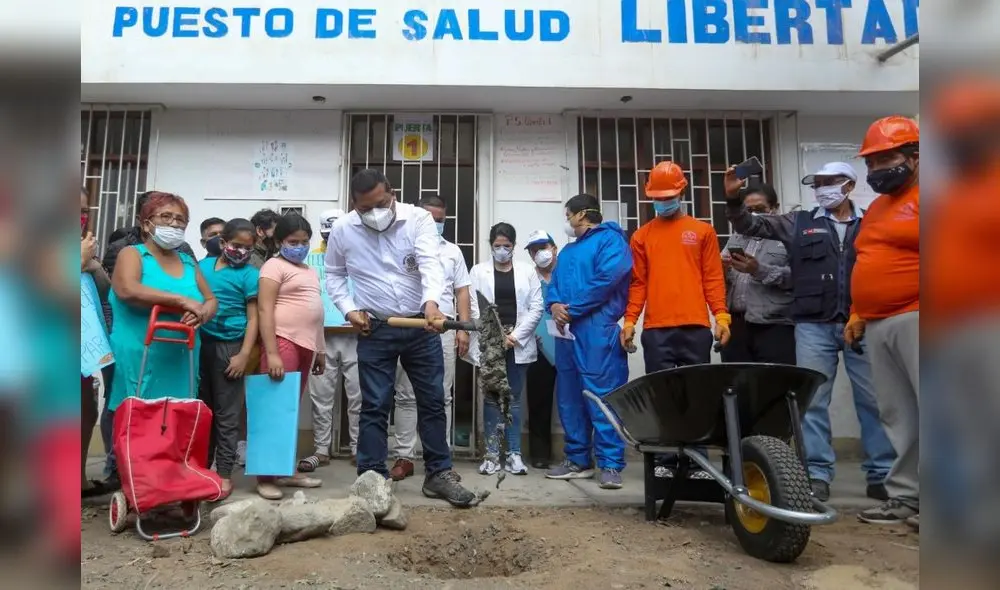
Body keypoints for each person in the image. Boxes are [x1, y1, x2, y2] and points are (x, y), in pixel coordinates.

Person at [724, 161, 895, 503]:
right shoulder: (798, 222)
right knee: (813, 402)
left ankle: (881, 474)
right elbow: (751, 224)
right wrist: (732, 199)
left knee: (873, 400)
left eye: (829, 182)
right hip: (812, 324)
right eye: (817, 183)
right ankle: (817, 473)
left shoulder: (872, 222)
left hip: (861, 321)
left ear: (849, 185)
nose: (821, 189)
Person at [325, 168, 476, 507]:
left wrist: (432, 303)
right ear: (354, 204)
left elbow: (430, 263)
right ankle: (372, 478)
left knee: (433, 402)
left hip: (421, 326)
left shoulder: (418, 219)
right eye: (365, 208)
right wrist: (349, 310)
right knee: (375, 404)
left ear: (392, 194)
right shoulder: (343, 229)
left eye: (380, 204)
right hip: (375, 327)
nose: (374, 213)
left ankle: (439, 474)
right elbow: (334, 275)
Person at [622, 162, 730, 478]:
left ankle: (697, 462)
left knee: (696, 397)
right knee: (663, 397)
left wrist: (721, 316)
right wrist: (630, 321)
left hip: (696, 328)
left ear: (681, 192)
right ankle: (666, 461)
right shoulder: (642, 236)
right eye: (658, 197)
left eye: (668, 196)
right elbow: (638, 283)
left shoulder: (702, 232)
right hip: (657, 330)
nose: (663, 201)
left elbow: (713, 278)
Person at [844, 116, 920, 526]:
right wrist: (859, 312)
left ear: (916, 157)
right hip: (879, 322)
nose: (875, 170)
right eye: (870, 163)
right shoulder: (876, 209)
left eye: (885, 159)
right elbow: (870, 260)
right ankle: (908, 496)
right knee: (897, 413)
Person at [105, 192, 217, 423]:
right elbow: (127, 289)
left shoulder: (188, 262)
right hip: (140, 354)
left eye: (180, 219)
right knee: (135, 423)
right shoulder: (132, 254)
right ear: (146, 224)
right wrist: (181, 301)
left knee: (175, 423)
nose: (174, 223)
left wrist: (204, 313)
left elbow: (210, 300)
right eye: (166, 216)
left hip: (181, 358)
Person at [544, 194, 633, 488]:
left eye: (568, 214)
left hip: (597, 330)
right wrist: (554, 305)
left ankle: (610, 464)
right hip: (566, 333)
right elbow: (554, 285)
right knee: (569, 397)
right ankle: (578, 459)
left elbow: (607, 281)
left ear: (581, 214)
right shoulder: (568, 251)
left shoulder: (611, 242)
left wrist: (572, 309)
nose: (567, 220)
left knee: (602, 396)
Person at [390, 195, 472, 481]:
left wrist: (462, 328)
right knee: (405, 395)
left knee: (441, 396)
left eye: (440, 220)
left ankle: (440, 460)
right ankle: (404, 456)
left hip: (443, 329)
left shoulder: (453, 251)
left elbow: (462, 291)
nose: (436, 224)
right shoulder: (401, 246)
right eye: (430, 218)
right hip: (409, 326)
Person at [255, 213, 326, 500]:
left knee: (289, 410)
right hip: (283, 341)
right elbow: (264, 310)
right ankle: (265, 477)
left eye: (304, 241)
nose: (300, 247)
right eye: (293, 242)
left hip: (307, 346)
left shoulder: (309, 270)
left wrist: (320, 349)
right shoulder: (273, 266)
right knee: (273, 409)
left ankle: (285, 470)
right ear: (279, 241)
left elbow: (317, 311)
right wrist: (272, 352)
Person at [469, 223, 543, 476]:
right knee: (491, 399)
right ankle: (491, 455)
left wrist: (514, 336)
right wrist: (495, 337)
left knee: (513, 399)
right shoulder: (478, 271)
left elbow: (536, 307)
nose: (502, 250)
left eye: (507, 246)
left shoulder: (527, 272)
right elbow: (475, 307)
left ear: (514, 246)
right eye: (497, 245)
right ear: (491, 245)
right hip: (491, 344)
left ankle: (514, 454)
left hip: (517, 342)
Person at [196, 218, 259, 499]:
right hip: (200, 345)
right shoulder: (202, 267)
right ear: (222, 243)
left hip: (231, 348)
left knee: (227, 415)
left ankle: (223, 473)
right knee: (202, 411)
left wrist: (244, 354)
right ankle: (199, 469)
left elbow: (254, 318)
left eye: (248, 248)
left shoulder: (250, 275)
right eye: (236, 245)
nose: (241, 252)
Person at [300, 208, 363, 472]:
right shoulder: (310, 260)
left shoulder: (361, 255)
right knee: (321, 396)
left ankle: (359, 448)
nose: (333, 239)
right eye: (328, 234)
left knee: (359, 396)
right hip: (321, 336)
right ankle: (321, 449)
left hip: (356, 336)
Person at [720, 180, 796, 365]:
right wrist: (722, 268)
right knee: (736, 380)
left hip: (774, 325)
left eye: (760, 209)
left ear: (775, 208)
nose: (754, 214)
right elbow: (723, 278)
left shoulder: (789, 237)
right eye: (749, 210)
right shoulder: (736, 238)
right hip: (736, 324)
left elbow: (797, 278)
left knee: (773, 380)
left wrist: (759, 270)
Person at [80, 187, 116, 498]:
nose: (79, 217)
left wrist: (91, 264)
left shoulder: (83, 250)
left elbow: (105, 293)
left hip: (82, 348)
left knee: (86, 410)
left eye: (83, 211)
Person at [524, 230, 558, 469]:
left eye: (543, 248)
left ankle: (579, 453)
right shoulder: (528, 277)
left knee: (574, 400)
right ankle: (540, 454)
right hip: (537, 345)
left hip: (569, 342)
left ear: (554, 248)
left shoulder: (566, 273)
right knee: (538, 400)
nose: (539, 254)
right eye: (534, 250)